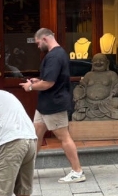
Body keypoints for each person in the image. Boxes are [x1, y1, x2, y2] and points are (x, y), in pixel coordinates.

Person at [21, 27, 85, 183]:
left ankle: (77, 172)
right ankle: (26, 171)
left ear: (45, 39)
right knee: (35, 136)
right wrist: (38, 81)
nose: (38, 47)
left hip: (54, 104)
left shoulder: (54, 56)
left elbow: (49, 83)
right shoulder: (56, 54)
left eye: (38, 43)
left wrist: (30, 87)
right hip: (45, 105)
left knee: (64, 137)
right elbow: (50, 80)